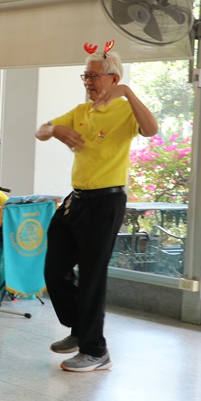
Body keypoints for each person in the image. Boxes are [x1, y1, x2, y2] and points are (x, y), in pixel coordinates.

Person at [35, 43, 158, 372]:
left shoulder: (126, 111)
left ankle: (95, 350)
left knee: (91, 275)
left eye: (94, 76)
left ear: (113, 78)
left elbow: (151, 130)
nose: (88, 82)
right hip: (76, 199)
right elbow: (40, 130)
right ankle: (80, 328)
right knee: (54, 269)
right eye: (85, 76)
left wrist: (127, 92)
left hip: (106, 201)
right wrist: (55, 129)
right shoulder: (81, 111)